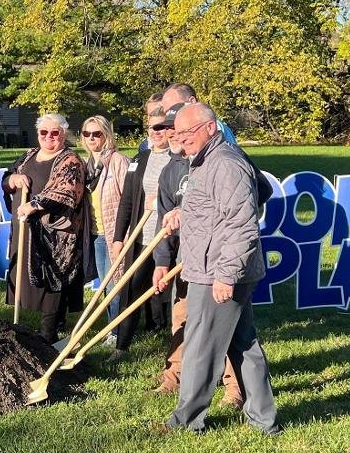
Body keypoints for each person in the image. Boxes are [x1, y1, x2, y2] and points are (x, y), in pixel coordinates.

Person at [157, 102, 280, 434]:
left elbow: (242, 225)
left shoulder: (226, 164)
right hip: (211, 268)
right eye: (177, 134)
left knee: (201, 346)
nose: (181, 140)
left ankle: (186, 421)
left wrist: (226, 275)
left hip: (219, 272)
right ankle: (263, 419)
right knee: (244, 344)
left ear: (210, 128)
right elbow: (215, 209)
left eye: (187, 133)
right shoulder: (205, 161)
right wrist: (183, 213)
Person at [151, 105, 244, 409]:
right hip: (186, 258)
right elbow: (164, 217)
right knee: (182, 320)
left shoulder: (224, 159)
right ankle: (175, 377)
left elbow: (245, 208)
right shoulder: (172, 169)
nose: (175, 136)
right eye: (171, 130)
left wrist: (226, 263)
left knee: (223, 328)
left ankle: (232, 388)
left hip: (216, 260)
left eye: (181, 130)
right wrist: (162, 261)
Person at [2, 114, 95, 343]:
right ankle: (24, 332)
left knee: (53, 279)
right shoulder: (29, 155)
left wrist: (33, 205)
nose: (49, 137)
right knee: (27, 276)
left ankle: (49, 335)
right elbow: (6, 179)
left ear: (63, 134)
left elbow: (66, 192)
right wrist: (13, 179)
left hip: (56, 235)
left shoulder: (71, 160)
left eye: (55, 132)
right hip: (26, 230)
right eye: (44, 132)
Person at [109, 106, 172, 363]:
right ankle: (121, 347)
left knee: (171, 295)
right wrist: (118, 237)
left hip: (169, 238)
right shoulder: (139, 159)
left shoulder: (180, 159)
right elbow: (126, 201)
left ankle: (175, 350)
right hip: (142, 236)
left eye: (161, 127)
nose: (156, 132)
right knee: (131, 290)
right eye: (151, 127)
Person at [79, 115, 130, 344]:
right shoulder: (87, 165)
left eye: (96, 134)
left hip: (115, 233)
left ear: (106, 135)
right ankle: (112, 327)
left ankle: (116, 332)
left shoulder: (118, 161)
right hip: (95, 233)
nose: (91, 138)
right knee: (105, 285)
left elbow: (129, 199)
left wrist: (123, 235)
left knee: (114, 283)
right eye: (87, 134)